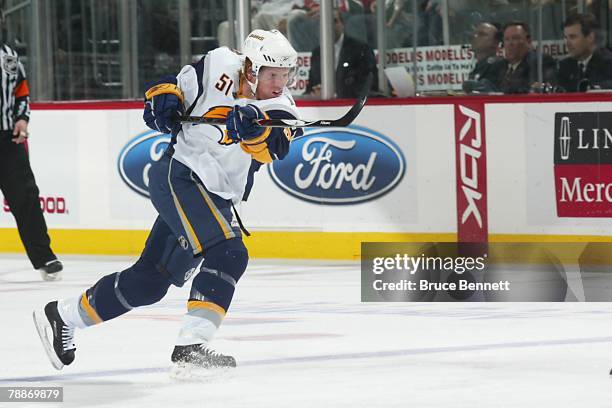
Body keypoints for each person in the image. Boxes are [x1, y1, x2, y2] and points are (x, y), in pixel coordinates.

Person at [33, 29, 302, 377]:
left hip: (214, 196)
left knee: (149, 283)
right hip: (181, 176)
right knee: (230, 253)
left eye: (284, 75)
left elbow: (272, 149)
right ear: (251, 68)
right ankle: (191, 346)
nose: (279, 83)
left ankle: (63, 315)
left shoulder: (283, 107)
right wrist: (163, 102)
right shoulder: (219, 64)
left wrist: (253, 130)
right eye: (272, 74)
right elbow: (171, 84)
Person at [0, 43, 63, 281]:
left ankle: (44, 257)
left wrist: (22, 120)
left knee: (26, 199)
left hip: (8, 140)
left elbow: (21, 92)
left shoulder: (9, 56)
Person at [306, 10, 377, 98]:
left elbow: (369, 85)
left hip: (351, 105)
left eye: (334, 21)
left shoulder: (361, 49)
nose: (329, 25)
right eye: (324, 22)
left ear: (342, 25)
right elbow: (310, 88)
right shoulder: (317, 53)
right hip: (323, 108)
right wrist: (315, 93)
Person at [488, 22, 557, 94]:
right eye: (507, 39)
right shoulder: (498, 66)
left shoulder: (540, 62)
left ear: (528, 41)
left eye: (515, 38)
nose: (510, 43)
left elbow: (535, 89)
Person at [557, 13, 612, 92]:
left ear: (590, 38)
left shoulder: (608, 63)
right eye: (566, 37)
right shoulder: (565, 66)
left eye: (572, 37)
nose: (567, 43)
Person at [462, 22, 503, 93]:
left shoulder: (499, 66)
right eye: (475, 34)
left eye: (482, 34)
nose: (475, 36)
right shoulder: (478, 67)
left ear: (495, 42)